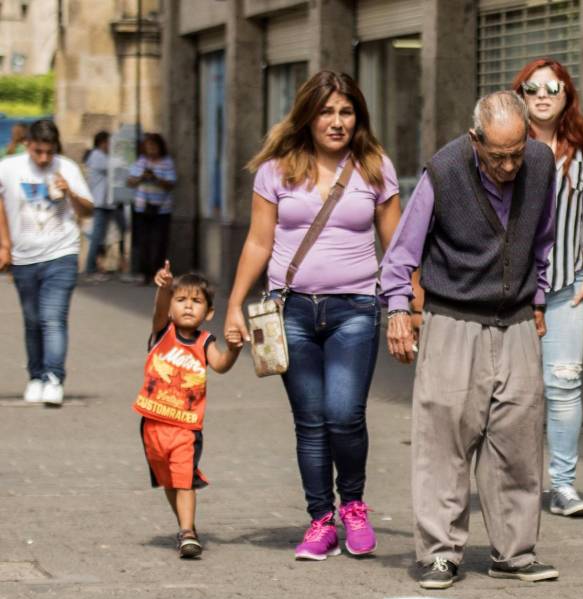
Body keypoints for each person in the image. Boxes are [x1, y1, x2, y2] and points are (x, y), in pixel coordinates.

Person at [381, 90, 559, 589]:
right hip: (453, 319)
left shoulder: (541, 164)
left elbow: (543, 237)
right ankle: (439, 553)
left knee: (518, 440)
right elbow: (402, 252)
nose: (509, 166)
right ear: (475, 139)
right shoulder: (444, 171)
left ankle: (514, 553)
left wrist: (539, 297)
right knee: (444, 441)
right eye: (498, 155)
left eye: (516, 153)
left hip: (517, 319)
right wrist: (398, 309)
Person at [224, 71, 401, 561]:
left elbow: (398, 246)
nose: (337, 122)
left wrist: (408, 307)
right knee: (311, 421)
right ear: (308, 116)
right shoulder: (276, 171)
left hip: (355, 309)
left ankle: (354, 506)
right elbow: (258, 241)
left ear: (358, 118)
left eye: (346, 112)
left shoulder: (374, 168)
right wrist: (235, 304)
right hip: (292, 311)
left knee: (344, 415)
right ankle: (321, 520)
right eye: (326, 112)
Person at [512, 59, 583, 518]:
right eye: (532, 88)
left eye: (552, 88)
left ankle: (564, 486)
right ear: (520, 96)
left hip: (567, 287)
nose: (542, 96)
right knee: (514, 392)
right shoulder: (504, 146)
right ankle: (516, 483)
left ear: (567, 94)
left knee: (565, 385)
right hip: (513, 293)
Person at [135, 262, 242, 558]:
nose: (187, 306)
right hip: (153, 424)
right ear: (171, 307)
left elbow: (220, 365)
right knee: (169, 481)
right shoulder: (162, 332)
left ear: (209, 313)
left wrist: (234, 350)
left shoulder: (205, 342)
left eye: (196, 301)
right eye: (180, 299)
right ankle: (185, 525)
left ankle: (187, 532)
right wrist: (164, 288)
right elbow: (159, 309)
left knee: (183, 479)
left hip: (186, 427)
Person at [0, 119, 93, 406]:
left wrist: (70, 193)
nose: (43, 158)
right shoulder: (9, 168)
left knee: (53, 318)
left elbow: (88, 211)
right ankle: (36, 377)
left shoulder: (67, 168)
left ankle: (53, 378)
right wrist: (5, 244)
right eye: (38, 151)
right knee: (32, 321)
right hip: (24, 257)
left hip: (61, 254)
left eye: (49, 152)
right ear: (27, 145)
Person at [127, 133, 176, 284]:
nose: (151, 149)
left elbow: (171, 184)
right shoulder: (141, 161)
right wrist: (142, 177)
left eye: (154, 146)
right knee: (143, 242)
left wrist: (155, 178)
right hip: (142, 207)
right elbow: (130, 182)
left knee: (159, 242)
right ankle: (144, 273)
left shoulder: (167, 162)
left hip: (161, 209)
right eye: (148, 146)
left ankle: (157, 273)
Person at [82, 131, 126, 279]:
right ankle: (91, 268)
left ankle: (99, 266)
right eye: (109, 143)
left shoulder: (102, 156)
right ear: (102, 143)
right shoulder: (97, 156)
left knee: (109, 234)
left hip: (107, 203)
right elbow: (115, 166)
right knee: (97, 237)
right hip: (100, 203)